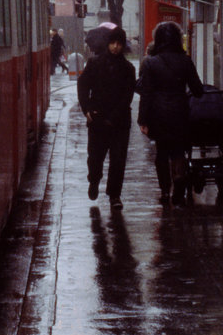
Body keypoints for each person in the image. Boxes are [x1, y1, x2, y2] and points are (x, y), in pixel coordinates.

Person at [136, 21, 204, 205]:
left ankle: (165, 190)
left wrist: (142, 119)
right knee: (178, 151)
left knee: (162, 152)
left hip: (158, 114)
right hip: (180, 112)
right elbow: (198, 90)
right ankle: (179, 182)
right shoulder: (185, 61)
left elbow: (146, 93)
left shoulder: (151, 62)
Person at [77, 26, 136, 209]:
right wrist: (86, 108)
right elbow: (83, 85)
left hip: (119, 122)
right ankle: (94, 180)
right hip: (97, 119)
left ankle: (114, 195)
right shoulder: (95, 64)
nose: (116, 47)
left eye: (119, 44)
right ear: (108, 44)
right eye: (113, 43)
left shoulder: (128, 68)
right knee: (95, 158)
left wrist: (115, 116)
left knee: (118, 160)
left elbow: (127, 96)